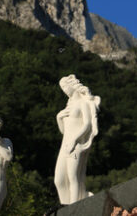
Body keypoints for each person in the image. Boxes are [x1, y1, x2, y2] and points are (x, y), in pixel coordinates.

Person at [54, 74, 100, 204]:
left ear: (72, 86)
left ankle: (75, 206)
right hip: (65, 144)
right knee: (59, 180)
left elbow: (87, 124)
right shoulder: (68, 107)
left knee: (73, 177)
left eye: (65, 86)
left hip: (76, 144)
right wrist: (59, 118)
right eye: (62, 87)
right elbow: (64, 131)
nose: (64, 89)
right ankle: (66, 206)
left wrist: (75, 139)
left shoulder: (82, 103)